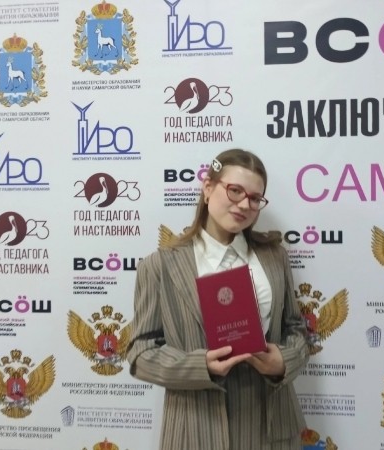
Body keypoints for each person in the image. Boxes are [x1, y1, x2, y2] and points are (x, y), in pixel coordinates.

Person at [127, 148, 310, 450]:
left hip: (271, 426)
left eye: (255, 198)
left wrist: (283, 361)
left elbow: (296, 329)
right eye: (235, 190)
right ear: (208, 187)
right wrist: (200, 365)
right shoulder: (160, 266)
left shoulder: (274, 256)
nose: (244, 204)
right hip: (196, 430)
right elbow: (140, 354)